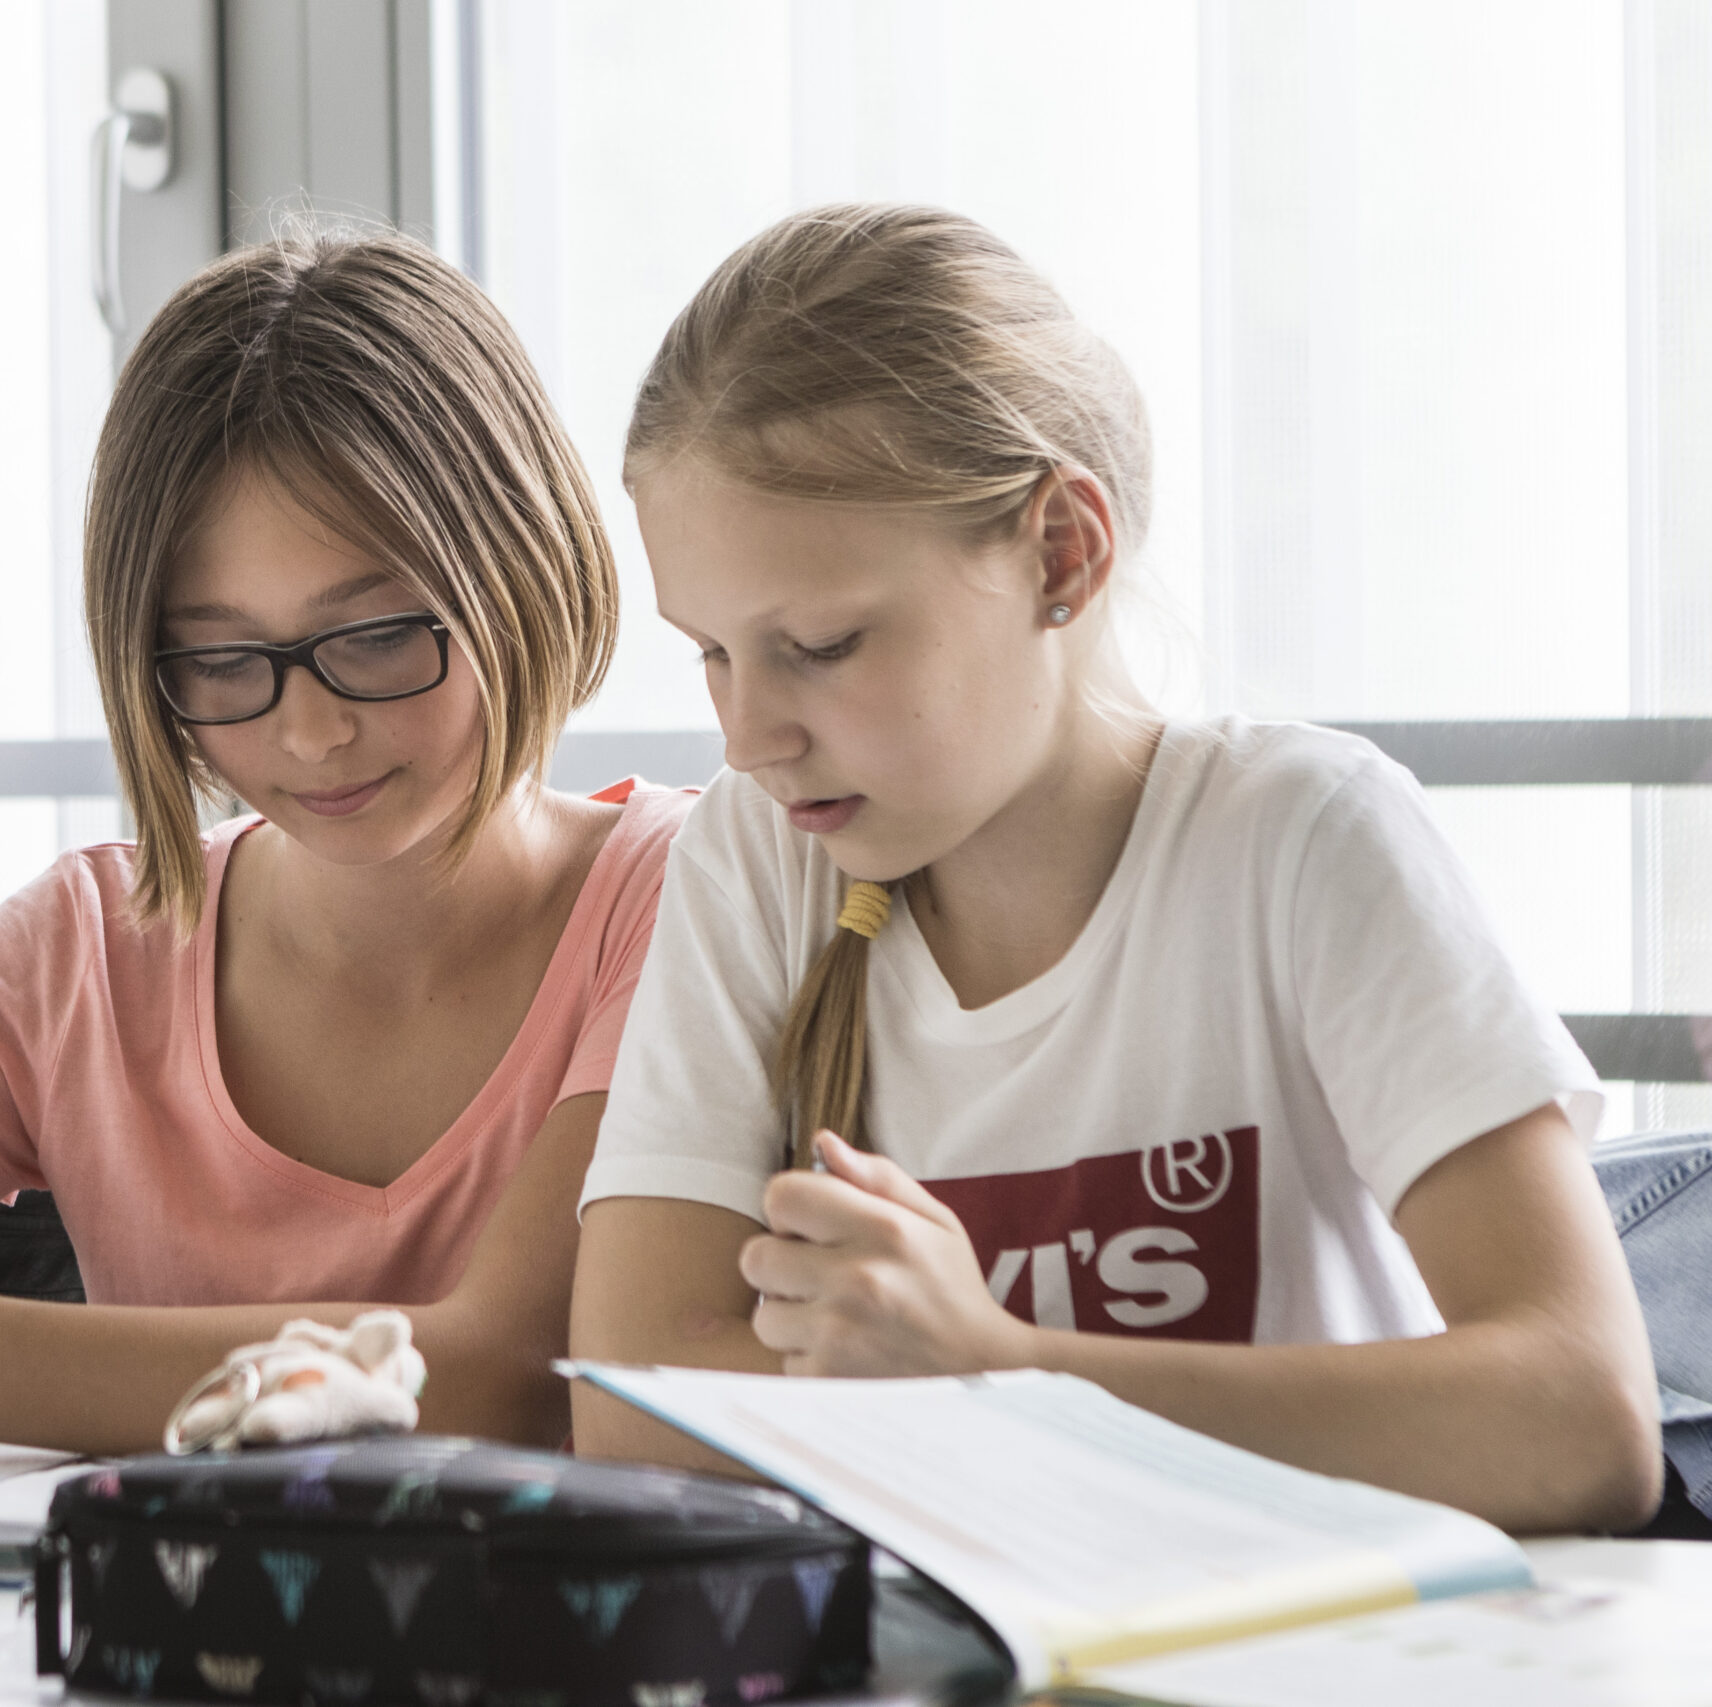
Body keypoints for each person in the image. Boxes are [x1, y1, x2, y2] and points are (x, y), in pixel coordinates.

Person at [568, 204, 1663, 1534]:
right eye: (714, 652)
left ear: (1061, 553)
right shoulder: (759, 858)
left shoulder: (1304, 837)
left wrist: (1004, 1371)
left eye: (825, 642)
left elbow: (1582, 1419)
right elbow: (634, 1411)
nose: (748, 735)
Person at [0, 229, 690, 1454]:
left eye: (372, 636)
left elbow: (509, 1378)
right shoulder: (74, 956)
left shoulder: (685, 901)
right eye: (219, 660)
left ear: (522, 568)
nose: (309, 732)